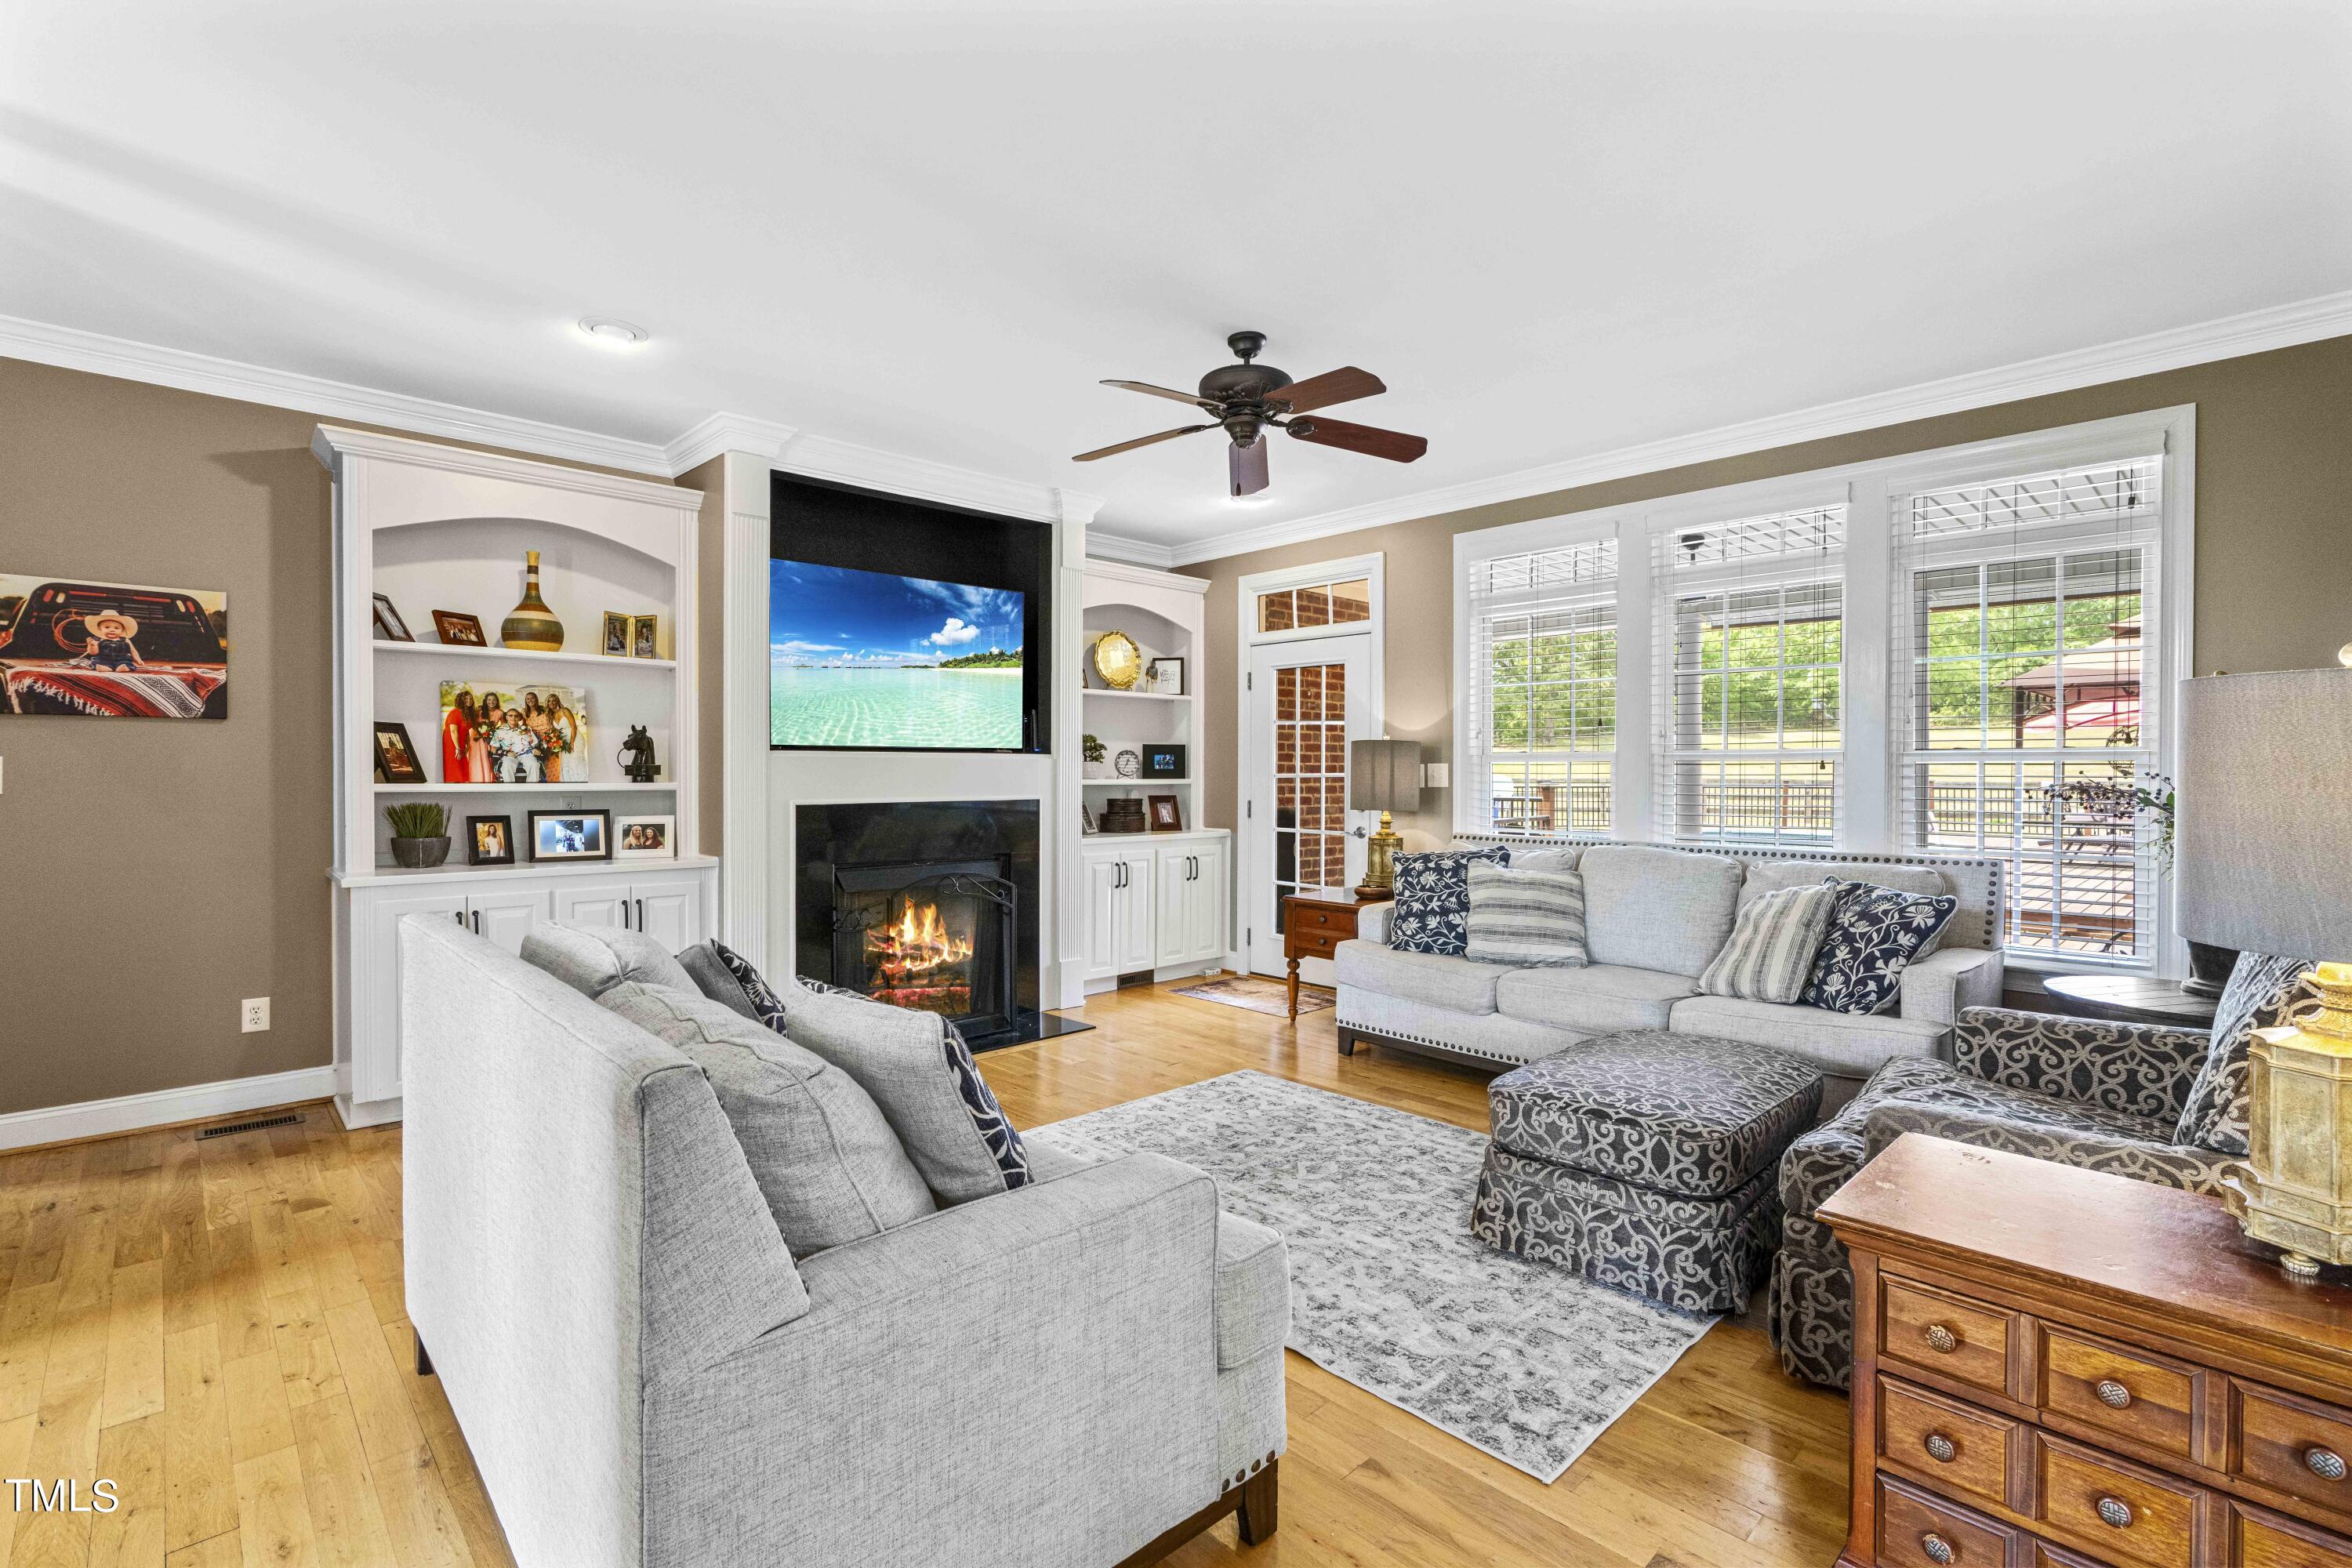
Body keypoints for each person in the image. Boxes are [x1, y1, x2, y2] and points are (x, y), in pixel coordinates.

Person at [442, 689, 477, 784]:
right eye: (466, 699)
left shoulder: (467, 714)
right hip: (451, 741)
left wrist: (467, 745)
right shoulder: (455, 712)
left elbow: (466, 731)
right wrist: (457, 748)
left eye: (471, 699)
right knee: (455, 763)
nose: (469, 701)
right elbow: (453, 731)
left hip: (461, 740)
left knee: (462, 765)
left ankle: (460, 784)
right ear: (461, 700)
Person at [544, 693, 576, 782]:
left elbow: (574, 727)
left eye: (554, 701)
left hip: (574, 737)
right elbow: (556, 731)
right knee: (566, 763)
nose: (551, 703)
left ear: (558, 701)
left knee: (575, 760)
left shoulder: (565, 710)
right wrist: (550, 740)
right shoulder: (550, 715)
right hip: (563, 741)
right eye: (549, 701)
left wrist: (572, 742)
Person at [467, 698, 497, 784]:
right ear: (485, 701)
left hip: (487, 738)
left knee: (486, 758)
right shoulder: (479, 710)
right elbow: (471, 722)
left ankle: (487, 779)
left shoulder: (498, 712)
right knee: (475, 758)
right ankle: (475, 779)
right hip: (476, 737)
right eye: (489, 700)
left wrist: (489, 731)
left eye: (493, 700)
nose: (491, 702)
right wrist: (479, 728)